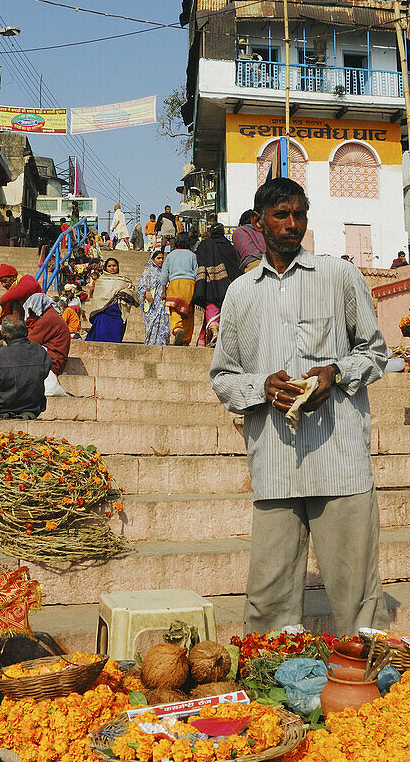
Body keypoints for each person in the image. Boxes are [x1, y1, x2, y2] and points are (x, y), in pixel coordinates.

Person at [210, 176, 389, 639]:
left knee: (359, 597)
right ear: (258, 222)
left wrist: (336, 373)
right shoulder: (241, 294)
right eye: (281, 215)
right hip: (275, 464)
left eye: (299, 215)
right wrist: (262, 387)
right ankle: (272, 689)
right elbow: (223, 377)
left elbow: (374, 352)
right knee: (268, 603)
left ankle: (370, 687)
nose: (292, 225)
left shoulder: (340, 275)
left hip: (340, 462)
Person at [0, 316, 51, 420]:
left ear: (3, 333)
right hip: (33, 406)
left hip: (0, 406)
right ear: (25, 331)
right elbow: (44, 373)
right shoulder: (42, 351)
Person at [192, 223, 240, 347]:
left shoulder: (205, 245)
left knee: (211, 307)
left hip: (209, 284)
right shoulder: (230, 247)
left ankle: (214, 331)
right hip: (228, 285)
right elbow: (235, 265)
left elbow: (199, 261)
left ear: (211, 233)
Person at [85, 256, 139, 343]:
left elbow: (131, 291)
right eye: (109, 266)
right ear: (105, 268)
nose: (112, 268)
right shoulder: (101, 280)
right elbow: (97, 297)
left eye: (114, 265)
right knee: (100, 330)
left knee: (116, 333)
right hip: (102, 312)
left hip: (117, 311)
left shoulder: (124, 280)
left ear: (118, 266)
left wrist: (123, 294)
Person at [160, 232, 198, 346]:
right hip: (190, 284)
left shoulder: (171, 255)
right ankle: (185, 340)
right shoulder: (192, 255)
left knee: (174, 310)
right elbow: (196, 272)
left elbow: (164, 274)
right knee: (188, 312)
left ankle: (177, 329)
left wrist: (163, 291)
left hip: (175, 284)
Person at [0, 264, 41, 332]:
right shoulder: (12, 292)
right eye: (1, 282)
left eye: (5, 281)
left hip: (37, 324)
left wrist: (0, 301)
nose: (3, 285)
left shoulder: (27, 279)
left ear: (14, 277)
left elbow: (23, 289)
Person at [23, 292, 72, 376]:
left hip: (53, 363)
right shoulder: (51, 315)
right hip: (54, 360)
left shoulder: (48, 318)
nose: (32, 316)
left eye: (31, 312)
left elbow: (29, 341)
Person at [137, 249, 170, 346]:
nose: (161, 260)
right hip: (152, 304)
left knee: (165, 327)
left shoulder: (165, 271)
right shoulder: (147, 272)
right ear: (152, 259)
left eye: (162, 258)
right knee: (151, 325)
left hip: (163, 302)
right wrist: (146, 293)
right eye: (158, 258)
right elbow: (140, 288)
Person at [232, 209, 266, 275]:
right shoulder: (264, 231)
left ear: (240, 224)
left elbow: (250, 258)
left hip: (254, 271)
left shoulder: (240, 232)